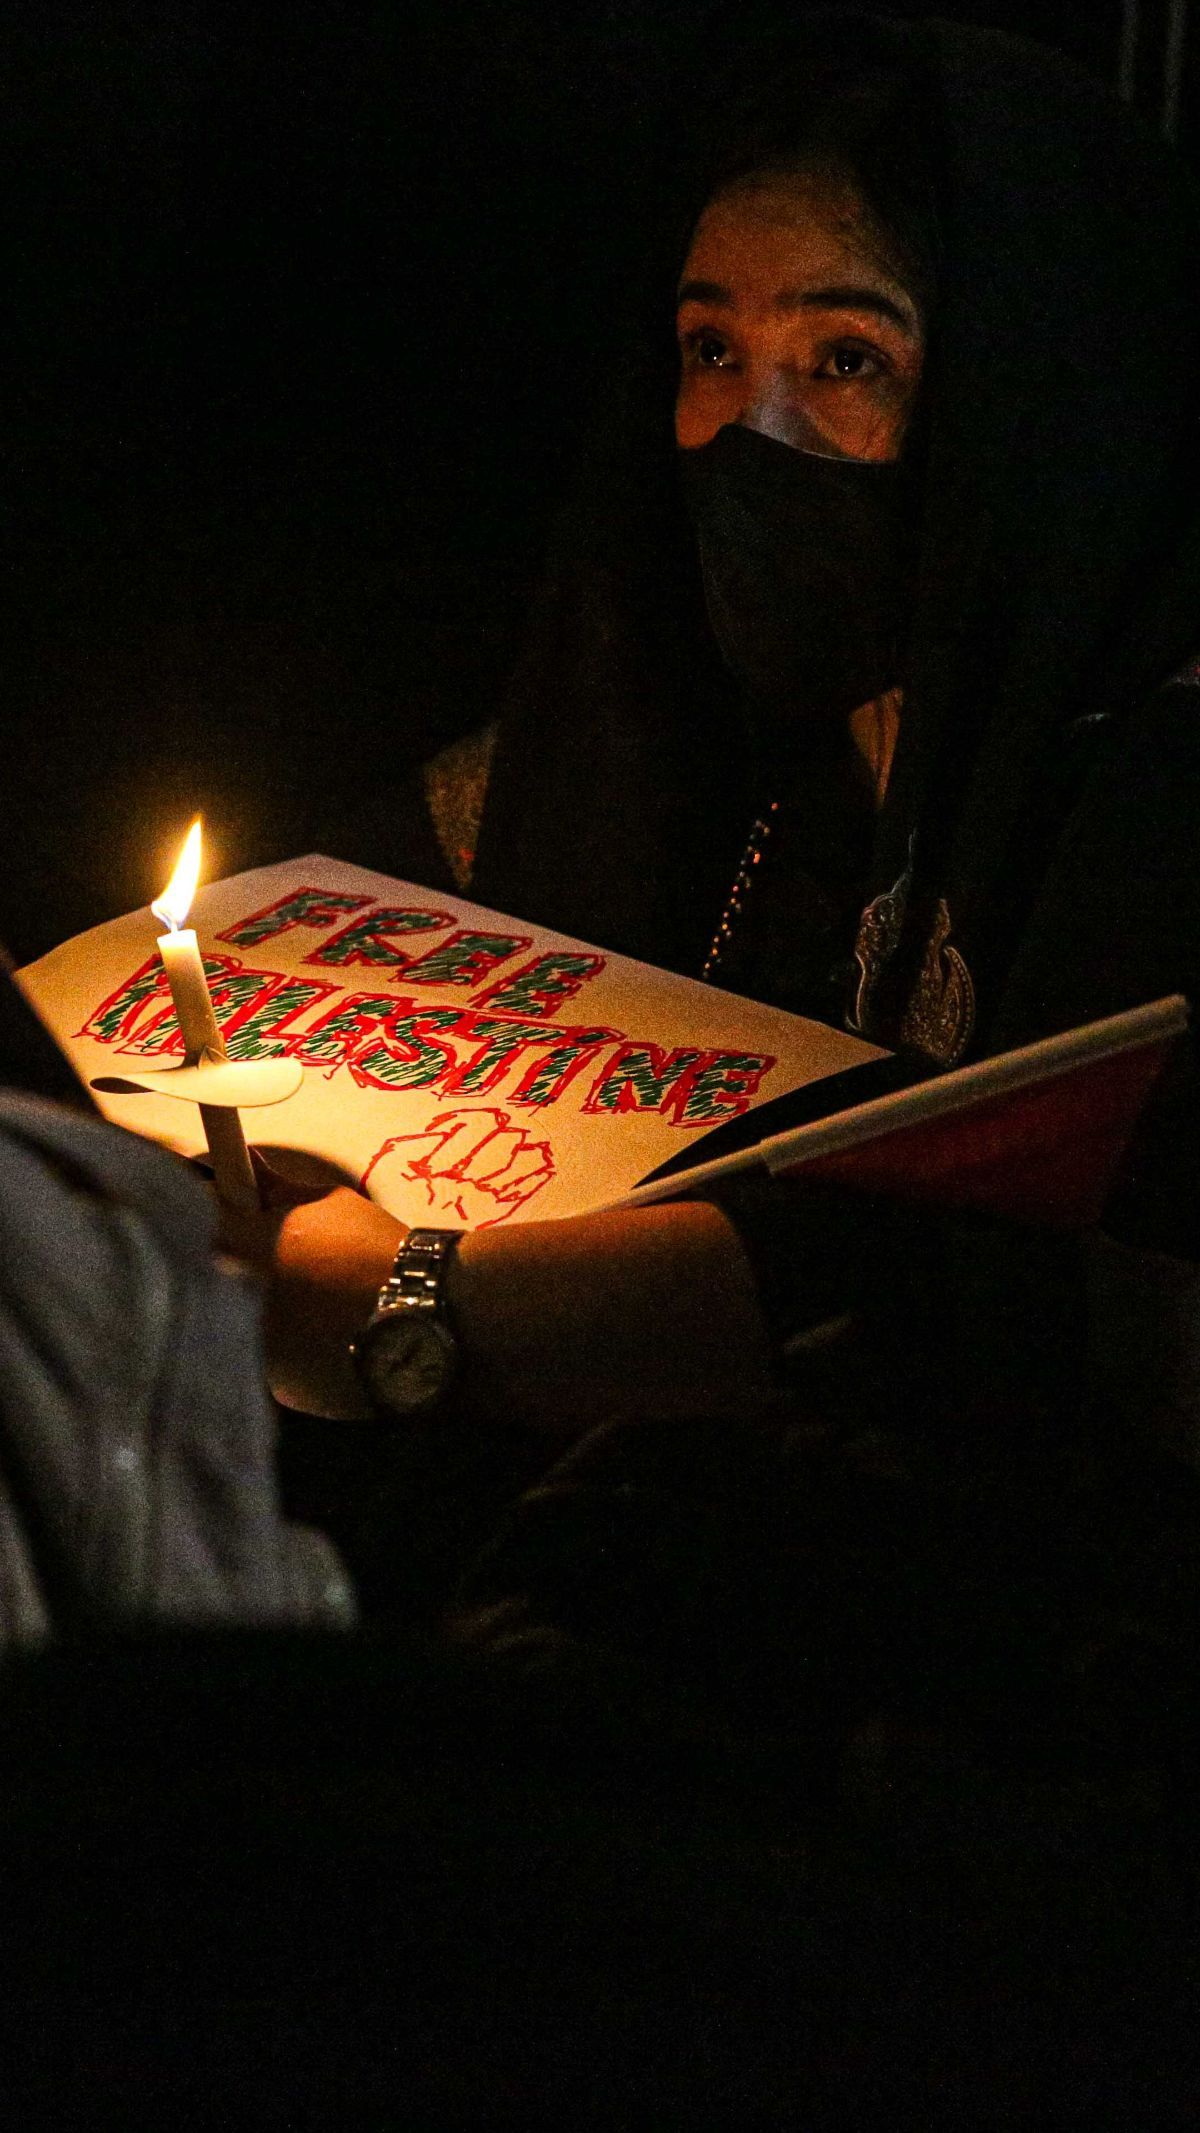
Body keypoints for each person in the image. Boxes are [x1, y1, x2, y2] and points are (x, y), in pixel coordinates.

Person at [229, 13, 1200, 1471]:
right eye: (710, 346)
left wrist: (422, 1299)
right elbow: (301, 942)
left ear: (1030, 398)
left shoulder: (1148, 801)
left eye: (845, 357)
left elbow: (1040, 1291)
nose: (752, 427)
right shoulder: (672, 739)